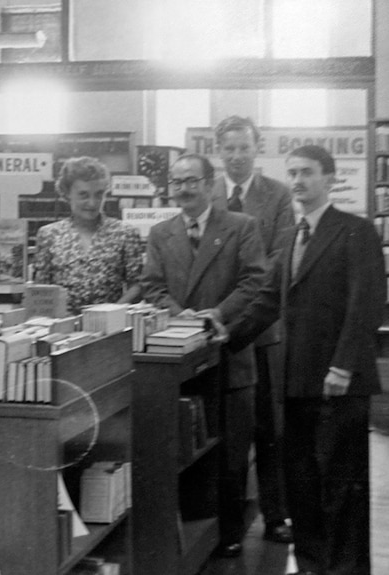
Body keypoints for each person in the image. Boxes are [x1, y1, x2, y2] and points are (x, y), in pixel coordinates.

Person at [228, 145, 384, 575]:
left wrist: (344, 366)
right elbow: (265, 303)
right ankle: (313, 565)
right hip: (295, 384)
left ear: (330, 179)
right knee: (303, 485)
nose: (298, 181)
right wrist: (223, 335)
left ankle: (347, 570)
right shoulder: (292, 236)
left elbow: (367, 302)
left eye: (308, 173)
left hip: (339, 383)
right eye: (292, 173)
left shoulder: (355, 230)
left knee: (342, 487)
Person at [141, 153, 266, 558]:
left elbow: (254, 281)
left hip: (229, 353)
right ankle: (195, 535)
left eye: (192, 180)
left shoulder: (242, 227)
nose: (183, 189)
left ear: (211, 184)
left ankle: (229, 534)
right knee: (189, 451)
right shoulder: (161, 233)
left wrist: (215, 315)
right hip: (181, 360)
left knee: (231, 451)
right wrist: (182, 318)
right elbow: (153, 288)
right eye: (176, 182)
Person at [211, 115, 295, 545]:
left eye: (245, 148)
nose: (238, 156)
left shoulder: (277, 196)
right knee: (221, 428)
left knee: (269, 425)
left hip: (260, 329)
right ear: (219, 151)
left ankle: (276, 514)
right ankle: (223, 523)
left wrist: (239, 317)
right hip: (215, 331)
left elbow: (277, 262)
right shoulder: (207, 194)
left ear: (257, 149)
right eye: (230, 148)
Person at [34, 156, 143, 313]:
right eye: (83, 195)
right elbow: (41, 291)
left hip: (111, 327)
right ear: (66, 194)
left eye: (99, 194)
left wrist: (112, 311)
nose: (92, 203)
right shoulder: (49, 235)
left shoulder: (125, 234)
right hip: (63, 328)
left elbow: (137, 285)